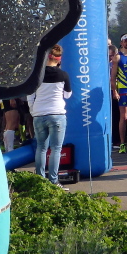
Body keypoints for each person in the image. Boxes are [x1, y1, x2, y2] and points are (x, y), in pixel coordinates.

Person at [27, 45, 72, 187]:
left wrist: (33, 110)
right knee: (56, 149)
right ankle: (53, 181)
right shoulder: (63, 75)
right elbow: (67, 95)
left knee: (41, 148)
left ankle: (40, 180)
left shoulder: (37, 75)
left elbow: (30, 95)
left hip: (39, 114)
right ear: (59, 60)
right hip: (57, 114)